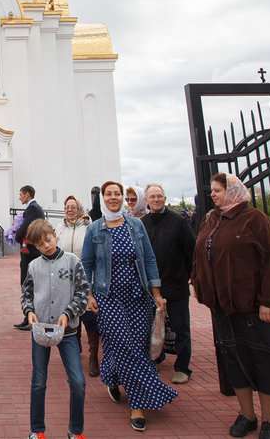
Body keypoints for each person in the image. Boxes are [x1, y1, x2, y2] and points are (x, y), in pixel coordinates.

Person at [192, 173, 270, 439]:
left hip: (253, 308)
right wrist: (199, 282)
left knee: (264, 361)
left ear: (233, 191)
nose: (212, 194)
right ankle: (247, 415)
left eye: (218, 190)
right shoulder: (212, 219)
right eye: (212, 190)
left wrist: (268, 301)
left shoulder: (254, 219)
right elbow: (200, 254)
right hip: (223, 308)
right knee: (235, 361)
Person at [81, 180, 177, 433]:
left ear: (122, 198)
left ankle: (112, 376)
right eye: (109, 194)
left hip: (137, 296)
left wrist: (156, 293)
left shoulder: (135, 225)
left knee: (136, 346)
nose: (113, 197)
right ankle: (138, 404)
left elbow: (149, 258)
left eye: (117, 194)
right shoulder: (94, 229)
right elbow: (86, 264)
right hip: (108, 297)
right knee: (124, 344)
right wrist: (88, 295)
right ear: (103, 198)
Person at [22, 219, 90, 439]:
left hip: (67, 332)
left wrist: (68, 313)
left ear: (55, 235)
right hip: (40, 330)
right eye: (40, 244)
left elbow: (83, 292)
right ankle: (37, 430)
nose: (46, 246)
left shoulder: (72, 261)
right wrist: (29, 311)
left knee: (78, 382)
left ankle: (75, 431)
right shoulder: (34, 266)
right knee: (38, 382)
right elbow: (27, 294)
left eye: (48, 240)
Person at [141, 183, 195, 384]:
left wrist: (187, 275)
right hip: (151, 287)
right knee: (152, 327)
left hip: (176, 284)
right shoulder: (142, 223)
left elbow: (191, 251)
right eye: (152, 196)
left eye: (159, 196)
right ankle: (156, 357)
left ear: (164, 198)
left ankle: (182, 367)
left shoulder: (178, 222)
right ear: (146, 200)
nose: (156, 199)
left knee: (181, 328)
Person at [56, 195, 100, 377]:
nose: (70, 210)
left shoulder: (89, 227)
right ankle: (74, 350)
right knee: (71, 316)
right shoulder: (59, 228)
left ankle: (93, 356)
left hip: (86, 279)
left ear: (79, 209)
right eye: (67, 207)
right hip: (65, 280)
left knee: (90, 319)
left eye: (73, 207)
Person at [13, 185, 44, 330]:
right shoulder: (33, 208)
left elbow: (25, 228)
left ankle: (31, 319)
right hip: (30, 252)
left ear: (27, 194)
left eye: (21, 194)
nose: (19, 197)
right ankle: (28, 318)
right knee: (28, 285)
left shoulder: (33, 208)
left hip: (31, 253)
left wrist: (15, 235)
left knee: (28, 285)